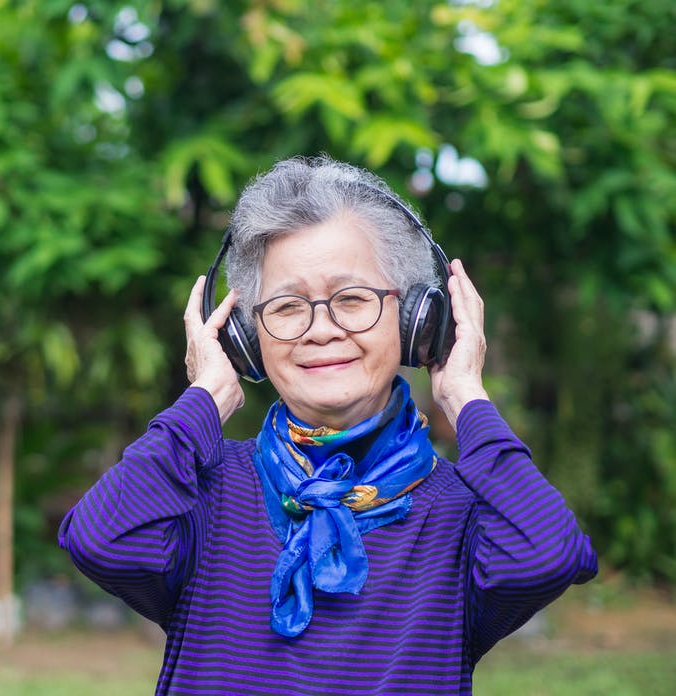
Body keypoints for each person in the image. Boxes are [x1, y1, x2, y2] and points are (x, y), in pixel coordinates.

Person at [58, 156, 597, 695]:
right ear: (247, 339)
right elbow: (102, 541)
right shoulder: (200, 491)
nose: (320, 329)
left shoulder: (461, 515)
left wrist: (465, 396)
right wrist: (205, 398)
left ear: (417, 321)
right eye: (288, 306)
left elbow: (549, 555)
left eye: (352, 299)